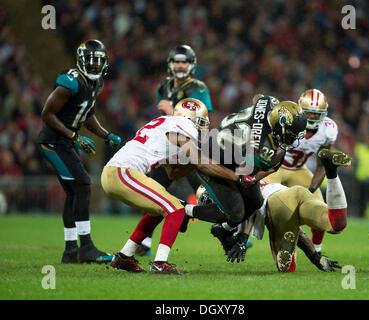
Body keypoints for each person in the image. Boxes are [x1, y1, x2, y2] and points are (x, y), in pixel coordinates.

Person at [101, 98, 244, 274]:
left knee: (159, 209)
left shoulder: (166, 124)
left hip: (117, 172)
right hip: (124, 171)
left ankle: (124, 256)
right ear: (193, 118)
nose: (202, 128)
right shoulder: (184, 125)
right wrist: (235, 176)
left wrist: (193, 161)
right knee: (176, 209)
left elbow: (172, 173)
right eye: (201, 123)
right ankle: (160, 263)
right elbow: (202, 164)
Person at [36, 39, 122, 264]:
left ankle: (71, 251)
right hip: (53, 142)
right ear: (81, 61)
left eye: (98, 62)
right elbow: (47, 114)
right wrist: (74, 136)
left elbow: (88, 114)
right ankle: (86, 248)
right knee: (82, 184)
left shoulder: (96, 84)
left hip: (64, 142)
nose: (94, 66)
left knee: (74, 191)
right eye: (90, 62)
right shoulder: (70, 82)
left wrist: (105, 135)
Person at [182, 96, 308, 246]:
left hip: (227, 145)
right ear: (279, 124)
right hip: (215, 160)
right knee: (235, 212)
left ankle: (223, 229)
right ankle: (185, 210)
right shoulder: (262, 149)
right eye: (289, 134)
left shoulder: (269, 102)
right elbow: (251, 173)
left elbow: (257, 98)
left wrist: (257, 122)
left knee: (255, 201)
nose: (291, 140)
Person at [214, 148, 351, 272]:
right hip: (296, 192)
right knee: (336, 224)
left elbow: (249, 207)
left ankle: (287, 240)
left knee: (287, 268)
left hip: (275, 204)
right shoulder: (246, 175)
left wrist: (242, 240)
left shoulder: (235, 184)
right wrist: (315, 257)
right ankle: (332, 172)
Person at [136, 44, 213, 256]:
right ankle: (144, 242)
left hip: (190, 148)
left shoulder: (198, 88)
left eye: (184, 61)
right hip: (169, 148)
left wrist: (172, 111)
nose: (180, 65)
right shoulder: (164, 85)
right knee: (154, 191)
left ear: (191, 64)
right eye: (177, 61)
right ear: (171, 64)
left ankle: (230, 231)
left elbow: (204, 119)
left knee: (209, 190)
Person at [262, 89, 337, 253]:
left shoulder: (328, 130)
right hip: (276, 167)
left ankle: (316, 249)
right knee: (260, 201)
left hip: (298, 169)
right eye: (309, 113)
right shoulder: (289, 118)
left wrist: (310, 190)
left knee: (319, 207)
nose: (312, 117)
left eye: (317, 115)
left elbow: (322, 165)